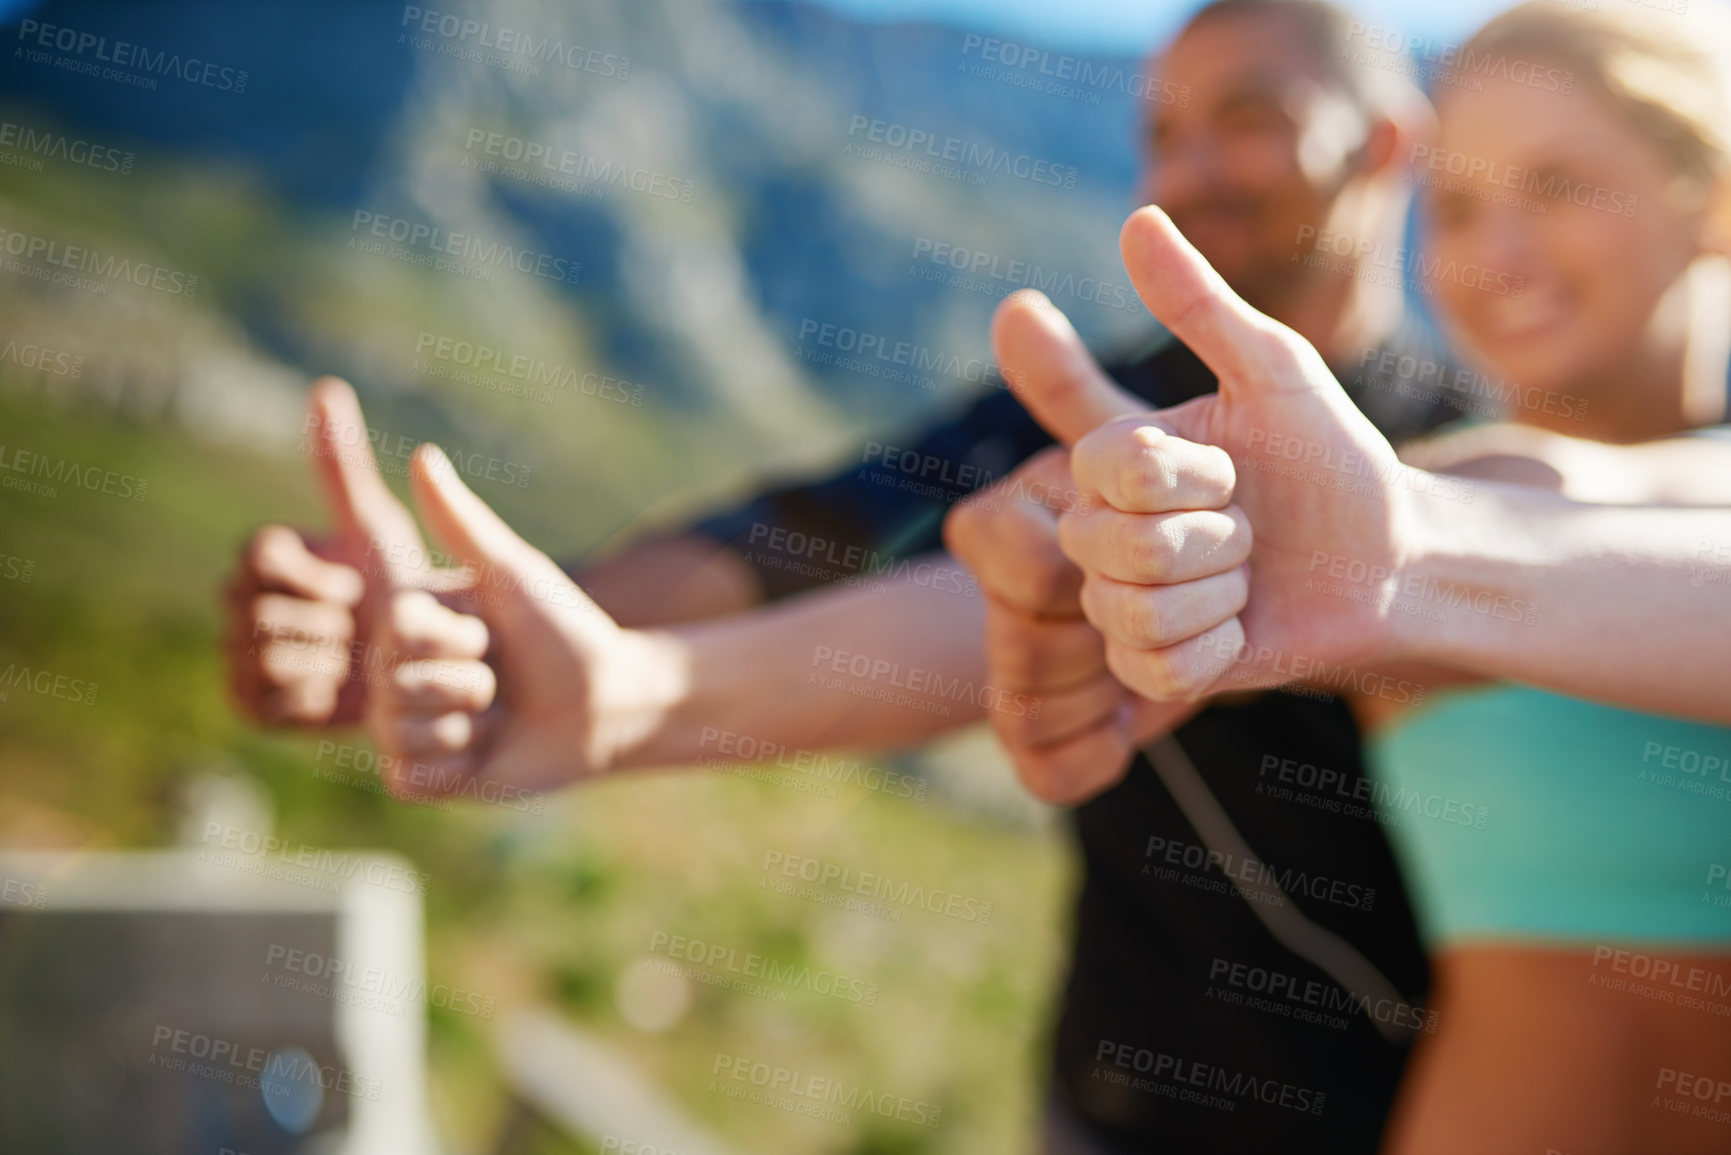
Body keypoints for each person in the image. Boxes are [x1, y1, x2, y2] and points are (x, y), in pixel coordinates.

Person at [229, 2, 1472, 1150]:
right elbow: (808, 534)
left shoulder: (1472, 456)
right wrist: (475, 626)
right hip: (1100, 1105)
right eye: (1162, 133)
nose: (1190, 172)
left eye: (1249, 122)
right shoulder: (1098, 407)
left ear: (1382, 146)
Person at [979, 8, 1731, 1150]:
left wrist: (1417, 555)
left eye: (1563, 183)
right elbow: (972, 619)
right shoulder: (1445, 483)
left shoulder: (1452, 505)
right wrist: (663, 692)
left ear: (1710, 197)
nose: (1499, 252)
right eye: (1464, 207)